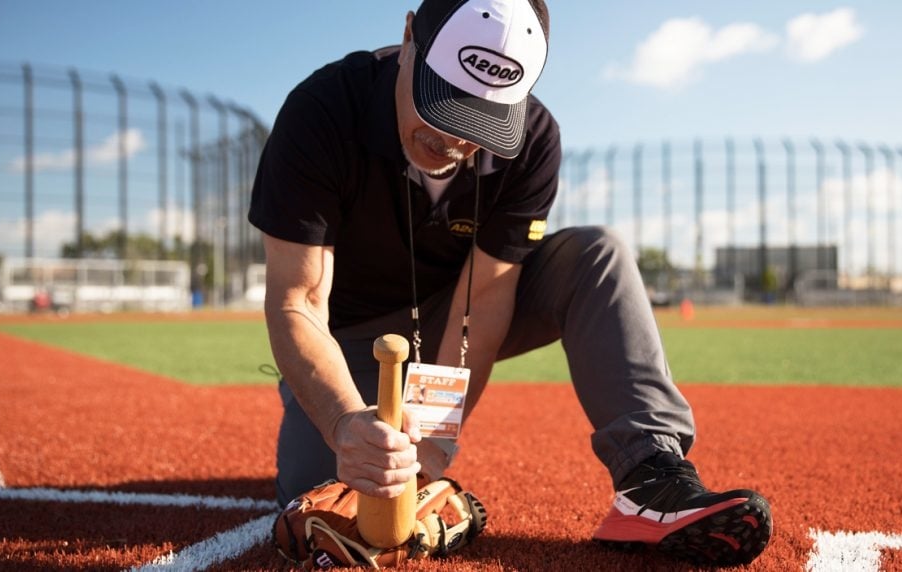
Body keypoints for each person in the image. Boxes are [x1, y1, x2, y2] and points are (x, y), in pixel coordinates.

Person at [249, 0, 772, 566]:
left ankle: (651, 478)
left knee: (597, 254)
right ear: (408, 37)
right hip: (349, 333)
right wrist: (344, 423)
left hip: (455, 309)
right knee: (319, 493)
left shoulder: (534, 139)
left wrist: (433, 439)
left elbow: (486, 298)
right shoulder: (322, 110)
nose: (454, 139)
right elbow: (298, 301)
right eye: (444, 102)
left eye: (481, 119)